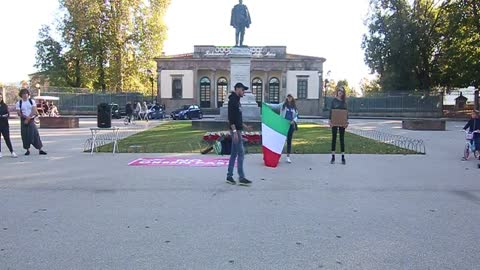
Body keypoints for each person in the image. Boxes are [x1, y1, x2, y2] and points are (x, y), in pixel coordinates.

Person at [226, 82, 252, 186]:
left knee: (234, 154)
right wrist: (235, 132)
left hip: (238, 130)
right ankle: (241, 177)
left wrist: (245, 126)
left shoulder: (237, 100)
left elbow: (238, 118)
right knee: (241, 153)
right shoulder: (232, 100)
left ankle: (229, 176)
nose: (243, 92)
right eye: (242, 90)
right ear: (237, 89)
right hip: (235, 131)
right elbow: (231, 118)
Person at [266, 94, 299, 163]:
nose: (289, 98)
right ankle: (277, 156)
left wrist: (293, 121)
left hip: (290, 126)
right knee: (280, 140)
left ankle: (288, 156)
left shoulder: (294, 107)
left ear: (292, 98)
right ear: (286, 97)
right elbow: (274, 106)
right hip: (283, 125)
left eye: (290, 97)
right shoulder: (283, 105)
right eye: (288, 97)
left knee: (289, 141)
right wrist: (266, 104)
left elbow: (296, 116)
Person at [15, 88, 47, 156]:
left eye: (26, 94)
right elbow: (19, 113)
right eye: (23, 94)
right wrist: (25, 118)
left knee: (35, 134)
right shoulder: (19, 103)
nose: (25, 95)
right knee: (25, 135)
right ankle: (27, 150)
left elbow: (34, 110)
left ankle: (40, 149)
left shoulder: (31, 101)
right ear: (21, 95)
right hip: (23, 120)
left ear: (28, 94)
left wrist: (29, 118)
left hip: (31, 120)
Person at [329, 87, 348, 165]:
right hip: (334, 121)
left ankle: (343, 157)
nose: (340, 92)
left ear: (343, 93)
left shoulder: (344, 102)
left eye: (342, 91)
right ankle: (333, 156)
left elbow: (346, 112)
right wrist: (330, 120)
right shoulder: (334, 101)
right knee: (334, 138)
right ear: (337, 92)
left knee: (341, 139)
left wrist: (346, 122)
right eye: (339, 91)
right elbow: (331, 111)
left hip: (342, 122)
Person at [0, 93, 18, 158]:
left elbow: (7, 114)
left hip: (4, 125)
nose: (0, 98)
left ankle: (12, 151)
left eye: (1, 97)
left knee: (7, 138)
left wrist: (3, 116)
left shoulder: (4, 105)